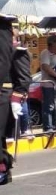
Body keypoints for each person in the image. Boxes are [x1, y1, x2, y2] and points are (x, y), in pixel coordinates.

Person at [1, 15, 30, 185]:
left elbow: (24, 78)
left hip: (5, 96)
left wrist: (16, 98)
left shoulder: (17, 52)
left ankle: (4, 169)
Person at [39, 35, 56, 133]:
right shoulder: (45, 53)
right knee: (49, 106)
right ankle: (48, 127)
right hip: (49, 85)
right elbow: (46, 67)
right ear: (52, 43)